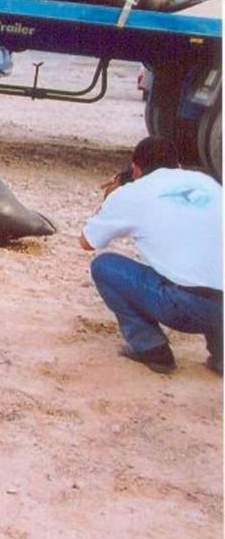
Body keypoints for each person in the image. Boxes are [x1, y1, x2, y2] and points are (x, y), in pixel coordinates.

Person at [81, 136, 223, 375]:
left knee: (104, 266)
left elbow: (87, 242)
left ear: (136, 168)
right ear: (177, 164)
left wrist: (113, 196)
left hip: (190, 307)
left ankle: (150, 347)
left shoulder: (130, 193)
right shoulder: (204, 181)